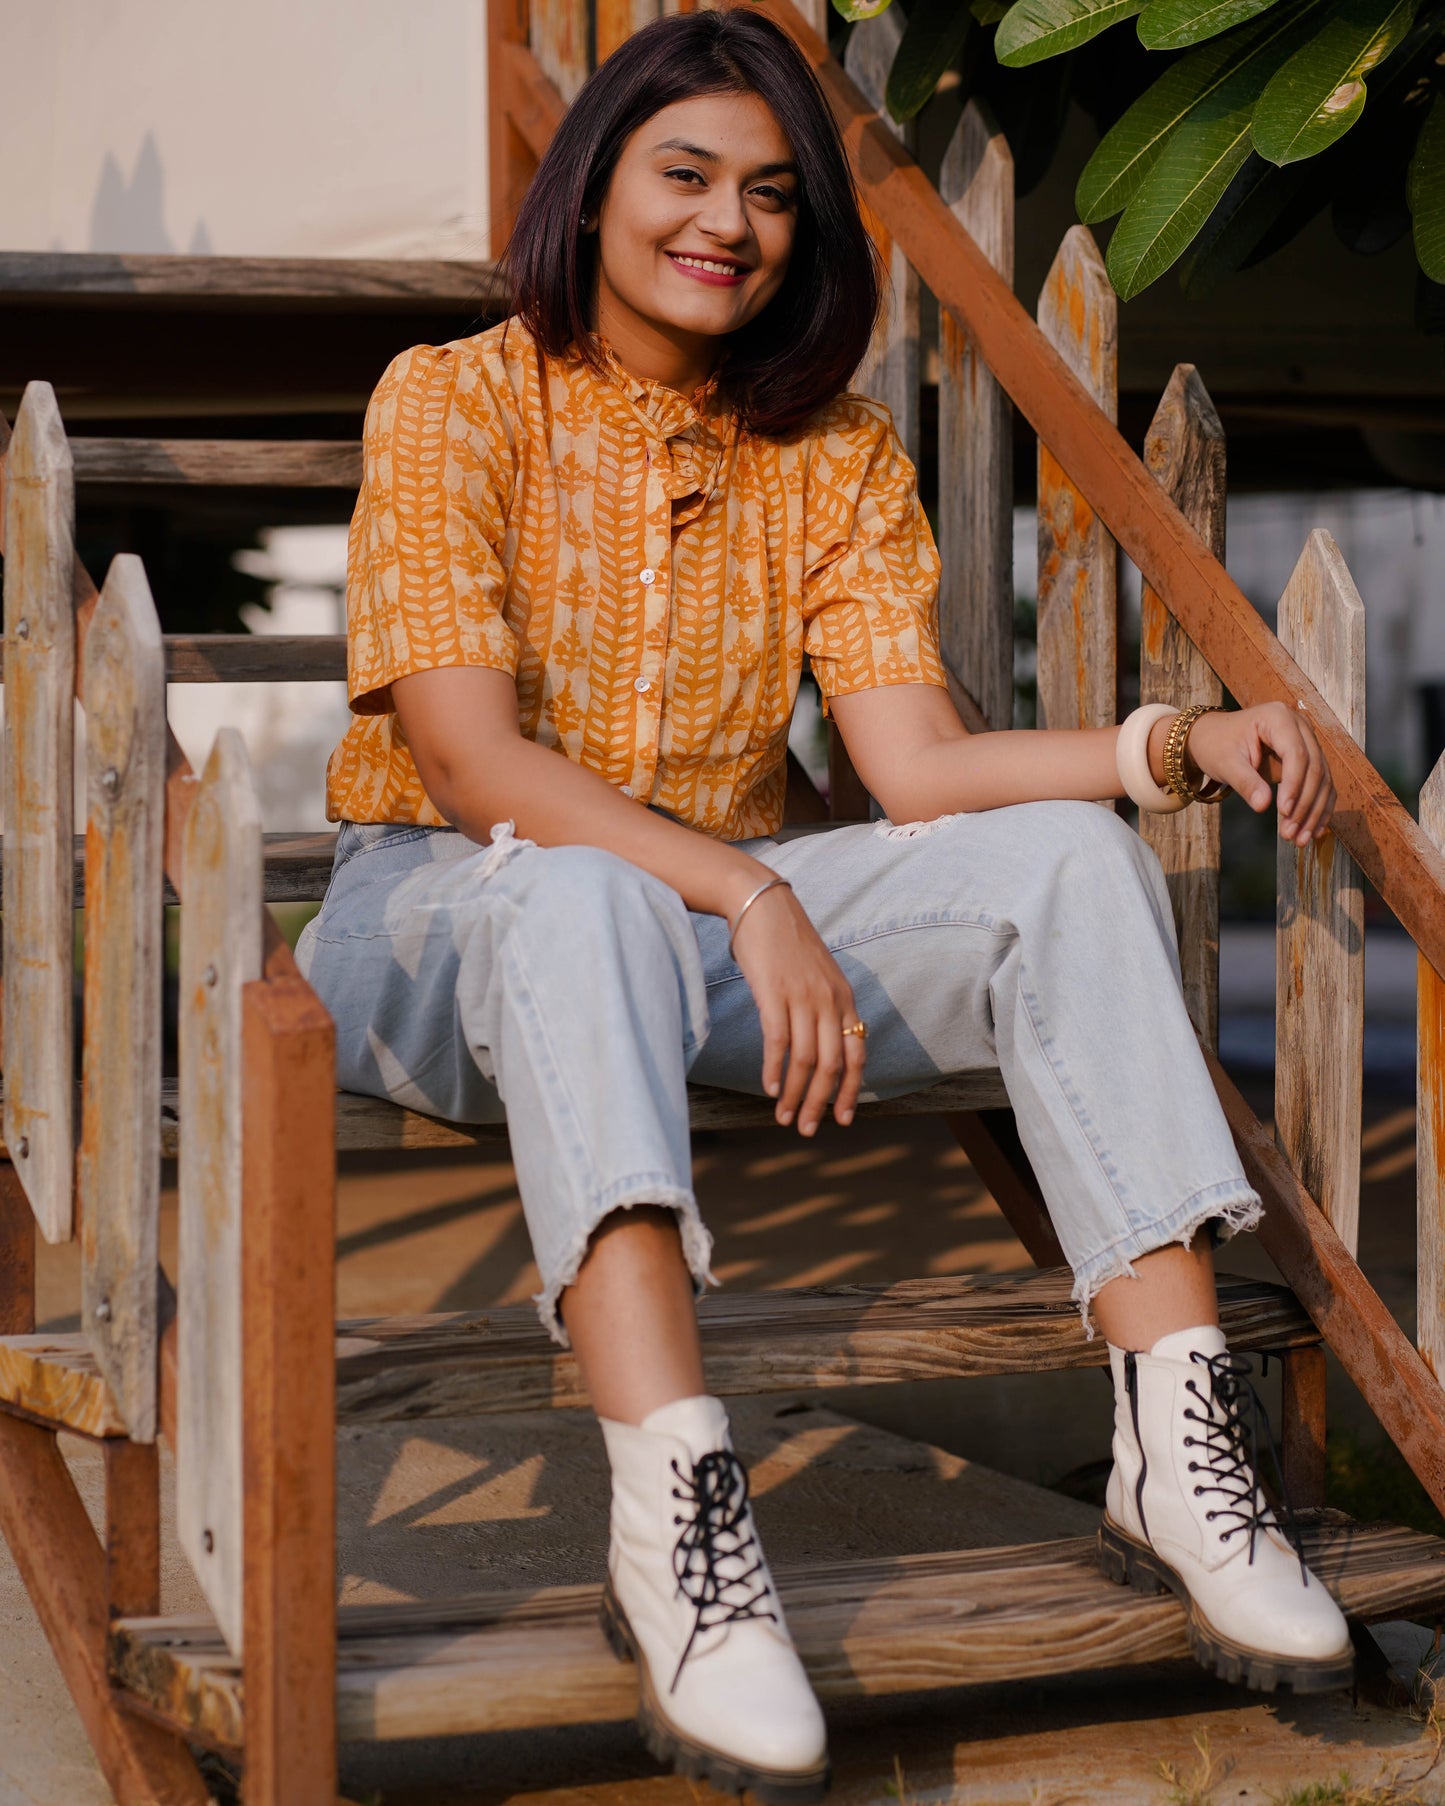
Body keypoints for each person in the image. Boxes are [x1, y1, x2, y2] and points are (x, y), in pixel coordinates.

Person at [297, 8, 1352, 1797]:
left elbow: (917, 768)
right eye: (684, 175)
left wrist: (1174, 746)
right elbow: (472, 767)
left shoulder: (834, 456)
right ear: (597, 186)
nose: (726, 221)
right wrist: (741, 887)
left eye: (770, 195)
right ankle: (681, 1526)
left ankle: (1176, 1442)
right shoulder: (452, 394)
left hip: (710, 922)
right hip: (441, 923)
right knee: (571, 891)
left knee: (1065, 862)